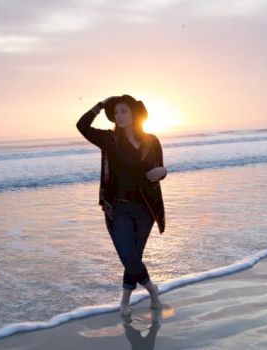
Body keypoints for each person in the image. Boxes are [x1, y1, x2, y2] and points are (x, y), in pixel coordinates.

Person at [76, 95, 167, 317]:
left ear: (134, 113)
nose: (119, 115)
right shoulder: (108, 139)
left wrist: (164, 172)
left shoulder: (152, 141)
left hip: (146, 208)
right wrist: (100, 104)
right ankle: (152, 291)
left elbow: (159, 168)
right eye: (116, 112)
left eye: (124, 111)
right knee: (128, 255)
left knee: (134, 256)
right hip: (118, 208)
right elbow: (82, 125)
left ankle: (125, 301)